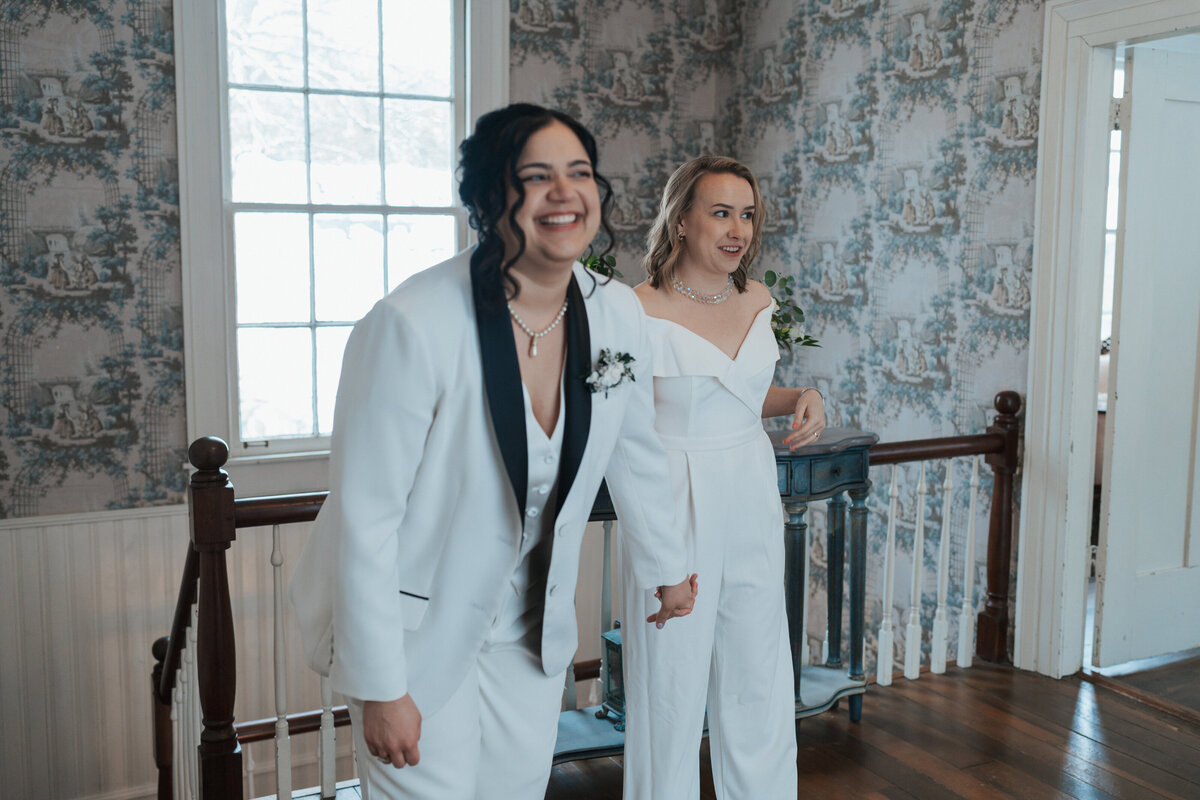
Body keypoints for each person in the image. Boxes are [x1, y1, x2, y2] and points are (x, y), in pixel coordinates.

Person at [290, 103, 698, 800]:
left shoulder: (615, 311)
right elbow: (366, 519)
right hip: (416, 633)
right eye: (535, 176)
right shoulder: (410, 324)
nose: (564, 193)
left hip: (532, 633)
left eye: (579, 172)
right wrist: (381, 685)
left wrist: (667, 566)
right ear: (486, 198)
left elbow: (636, 450)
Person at [621, 156, 827, 800]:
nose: (738, 230)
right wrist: (659, 556)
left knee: (758, 674)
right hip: (674, 496)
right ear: (681, 220)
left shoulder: (757, 298)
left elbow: (742, 394)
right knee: (670, 687)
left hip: (750, 492)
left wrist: (803, 395)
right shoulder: (634, 311)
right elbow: (625, 437)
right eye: (720, 213)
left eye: (746, 215)